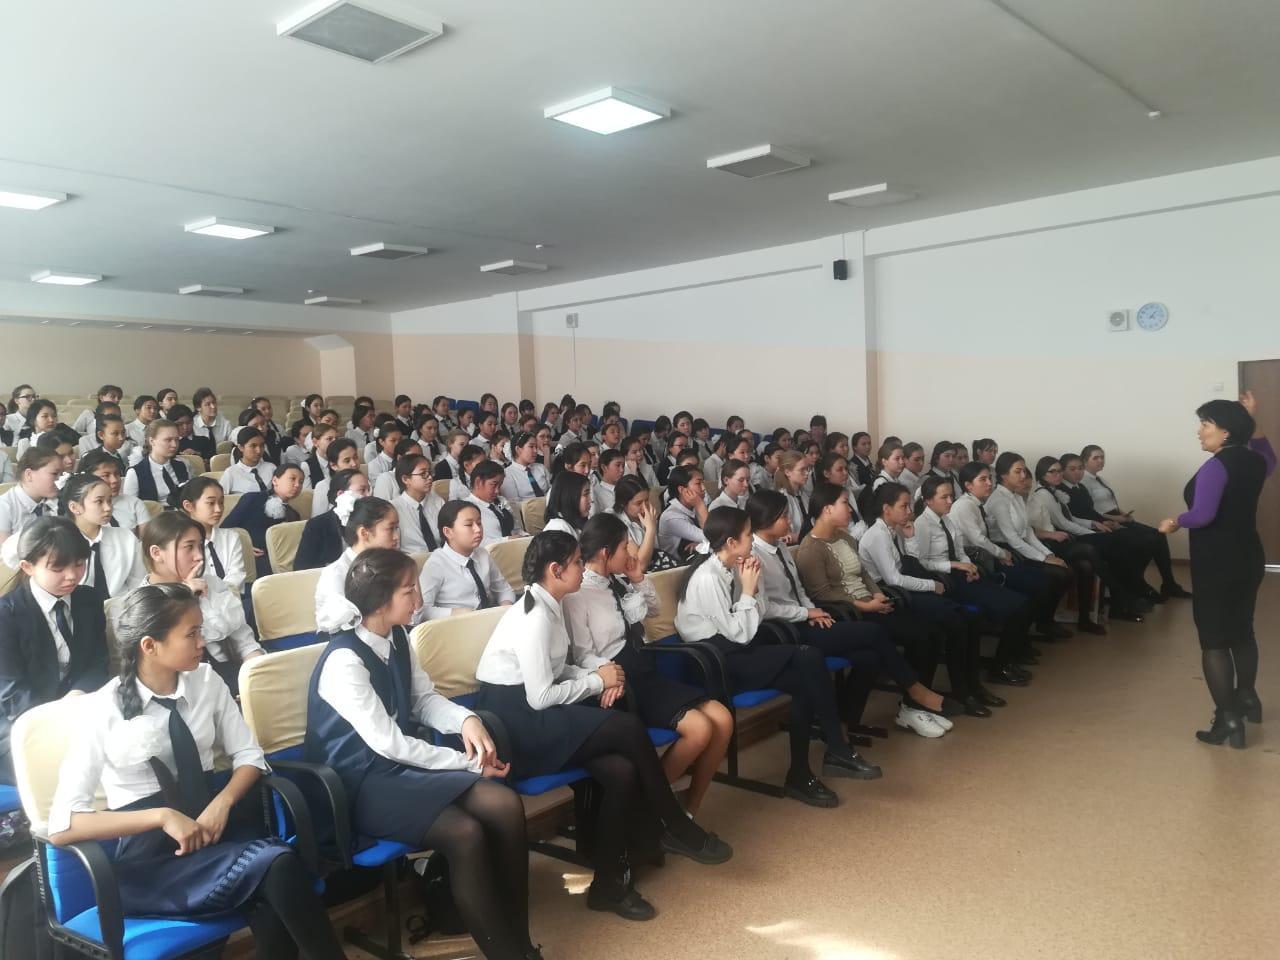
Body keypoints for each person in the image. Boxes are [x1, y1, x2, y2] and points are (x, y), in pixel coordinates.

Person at [49, 583, 345, 959]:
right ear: (149, 646)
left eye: (200, 630)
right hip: (154, 863)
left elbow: (250, 756)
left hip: (212, 834)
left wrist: (223, 803)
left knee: (275, 876)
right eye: (191, 634)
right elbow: (63, 826)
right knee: (277, 867)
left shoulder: (206, 681)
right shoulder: (102, 709)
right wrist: (162, 817)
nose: (202, 642)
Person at [476, 531, 732, 921]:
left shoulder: (550, 603)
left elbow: (559, 667)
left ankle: (609, 885)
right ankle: (673, 823)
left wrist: (602, 671)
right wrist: (597, 681)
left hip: (534, 711)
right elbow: (540, 696)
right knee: (626, 729)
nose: (583, 568)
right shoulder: (534, 616)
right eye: (577, 562)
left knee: (622, 770)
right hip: (517, 725)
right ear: (555, 570)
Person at [305, 549, 538, 959]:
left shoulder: (396, 637)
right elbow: (390, 743)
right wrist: (468, 763)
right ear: (381, 602)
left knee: (503, 804)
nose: (419, 599)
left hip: (398, 770)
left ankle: (518, 939)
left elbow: (422, 700)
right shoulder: (344, 661)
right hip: (360, 783)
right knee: (465, 833)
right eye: (409, 590)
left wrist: (466, 720)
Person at [676, 507, 882, 808]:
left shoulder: (733, 567)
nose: (752, 539)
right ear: (731, 542)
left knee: (805, 678)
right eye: (748, 534)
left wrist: (754, 588)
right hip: (714, 663)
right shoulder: (708, 577)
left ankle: (801, 773)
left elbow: (756, 616)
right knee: (809, 657)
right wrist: (749, 591)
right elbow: (740, 633)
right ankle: (836, 749)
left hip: (734, 650)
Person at [748, 490, 957, 738]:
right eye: (784, 516)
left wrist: (815, 609)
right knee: (880, 632)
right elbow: (771, 605)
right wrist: (809, 611)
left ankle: (847, 721)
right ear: (767, 518)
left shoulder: (782, 547)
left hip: (810, 616)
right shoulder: (757, 555)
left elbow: (803, 590)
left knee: (873, 655)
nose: (790, 521)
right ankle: (916, 693)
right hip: (788, 629)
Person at [565, 514, 734, 815]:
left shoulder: (617, 582)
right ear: (605, 553)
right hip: (620, 678)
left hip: (643, 667)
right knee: (699, 729)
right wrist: (609, 674)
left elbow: (654, 610)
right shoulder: (579, 594)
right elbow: (581, 655)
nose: (630, 553)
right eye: (624, 547)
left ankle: (687, 808)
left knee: (723, 719)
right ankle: (650, 810)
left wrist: (637, 578)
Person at [1158, 392, 1275, 748]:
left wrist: (1175, 522)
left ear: (1225, 432)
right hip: (1248, 556)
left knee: (1213, 640)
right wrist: (1252, 418)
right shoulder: (1255, 461)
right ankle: (1247, 697)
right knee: (1242, 629)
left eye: (1206, 424)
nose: (1199, 431)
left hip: (1217, 561)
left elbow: (1203, 515)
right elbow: (1269, 456)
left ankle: (1227, 718)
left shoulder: (1216, 466)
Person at [0, 518, 109, 782]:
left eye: (79, 563)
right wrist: (58, 720)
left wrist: (78, 694)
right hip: (21, 723)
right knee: (68, 771)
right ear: (27, 567)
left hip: (80, 710)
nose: (72, 575)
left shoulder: (89, 599)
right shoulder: (6, 615)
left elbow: (98, 662)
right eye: (58, 568)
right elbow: (12, 691)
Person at [909, 475, 1041, 685]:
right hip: (947, 579)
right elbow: (922, 563)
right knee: (1015, 606)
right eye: (944, 497)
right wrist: (954, 565)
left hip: (962, 573)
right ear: (928, 500)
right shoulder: (922, 524)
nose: (950, 501)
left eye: (951, 496)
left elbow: (960, 551)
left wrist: (968, 565)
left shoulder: (947, 519)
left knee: (1023, 603)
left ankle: (1007, 659)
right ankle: (1000, 667)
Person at [140, 512, 263, 693]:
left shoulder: (212, 584)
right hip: (183, 691)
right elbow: (159, 672)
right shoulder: (141, 604)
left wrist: (256, 674)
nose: (199, 556)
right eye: (189, 547)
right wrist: (185, 597)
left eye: (200, 546)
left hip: (231, 679)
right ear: (157, 553)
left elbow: (245, 643)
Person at [1028, 457, 1150, 622]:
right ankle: (1123, 598)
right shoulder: (1044, 494)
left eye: (1059, 471)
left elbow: (1071, 518)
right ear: (1042, 474)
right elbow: (1064, 524)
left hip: (1070, 535)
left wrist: (1093, 523)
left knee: (1119, 549)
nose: (1058, 475)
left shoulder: (1053, 491)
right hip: (1057, 541)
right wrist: (1092, 533)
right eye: (1053, 472)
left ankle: (1123, 599)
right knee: (1110, 547)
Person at [988, 453, 1095, 635]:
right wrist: (1044, 558)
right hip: (1006, 553)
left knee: (1067, 571)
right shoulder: (999, 499)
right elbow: (1013, 539)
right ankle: (1038, 623)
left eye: (1024, 471)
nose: (1023, 476)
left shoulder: (1016, 497)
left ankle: (1045, 621)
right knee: (1058, 574)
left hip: (1023, 548)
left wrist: (1048, 555)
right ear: (1004, 475)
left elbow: (1028, 532)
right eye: (1018, 471)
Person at [1074, 446, 1192, 600]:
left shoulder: (1101, 480)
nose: (1101, 461)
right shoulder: (1083, 481)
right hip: (1106, 521)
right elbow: (1094, 512)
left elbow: (1110, 504)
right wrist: (1118, 519)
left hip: (1118, 517)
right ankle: (1137, 583)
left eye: (1102, 457)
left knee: (1158, 535)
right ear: (1085, 460)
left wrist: (1124, 514)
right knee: (1149, 540)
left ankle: (1168, 584)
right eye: (1095, 458)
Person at [315, 495, 402, 630]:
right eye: (391, 529)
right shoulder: (336, 574)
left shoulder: (392, 564)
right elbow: (337, 625)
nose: (397, 537)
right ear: (364, 533)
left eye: (397, 528)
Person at [418, 500, 516, 619]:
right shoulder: (436, 564)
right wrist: (455, 613)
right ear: (448, 532)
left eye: (479, 523)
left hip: (489, 617)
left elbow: (504, 589)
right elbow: (422, 610)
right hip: (458, 624)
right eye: (469, 525)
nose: (478, 529)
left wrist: (505, 609)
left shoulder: (483, 554)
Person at [60, 472, 146, 601]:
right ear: (75, 507)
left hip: (121, 607)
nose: (108, 508)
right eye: (99, 501)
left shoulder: (126, 538)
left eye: (109, 500)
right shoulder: (60, 543)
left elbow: (138, 583)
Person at [222, 464, 306, 578]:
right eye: (292, 479)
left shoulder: (294, 515)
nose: (297, 485)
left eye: (301, 482)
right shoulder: (253, 498)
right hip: (248, 559)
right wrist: (244, 547)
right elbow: (225, 529)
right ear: (275, 480)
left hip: (279, 563)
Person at [175, 477, 246, 594]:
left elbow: (236, 576)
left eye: (221, 502)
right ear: (189, 506)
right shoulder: (178, 542)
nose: (218, 509)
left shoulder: (231, 537)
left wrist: (218, 597)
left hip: (231, 599)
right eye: (211, 503)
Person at [0, 448, 62, 552]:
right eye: (54, 474)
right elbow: (3, 556)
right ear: (29, 475)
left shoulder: (57, 502)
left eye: (62, 474)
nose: (60, 480)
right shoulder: (4, 507)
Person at [79, 450, 152, 534]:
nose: (115, 480)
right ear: (88, 478)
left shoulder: (134, 503)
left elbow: (146, 539)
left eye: (117, 474)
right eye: (106, 475)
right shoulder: (80, 508)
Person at [123, 420, 191, 502]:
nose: (174, 445)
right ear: (152, 441)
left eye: (177, 439)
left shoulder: (182, 466)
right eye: (168, 440)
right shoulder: (135, 473)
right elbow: (130, 506)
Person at [657, 466, 707, 558]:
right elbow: (713, 538)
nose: (704, 488)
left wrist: (701, 544)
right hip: (677, 565)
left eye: (703, 482)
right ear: (682, 490)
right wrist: (700, 505)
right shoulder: (671, 517)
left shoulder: (693, 506)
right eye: (698, 483)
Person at [311, 438, 361, 518]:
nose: (354, 464)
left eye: (355, 457)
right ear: (334, 465)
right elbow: (317, 519)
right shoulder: (324, 486)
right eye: (347, 461)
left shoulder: (364, 481)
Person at [221, 427, 276, 495]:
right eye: (253, 446)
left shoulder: (271, 468)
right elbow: (221, 497)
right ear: (241, 447)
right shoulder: (231, 473)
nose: (259, 451)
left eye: (262, 445)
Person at [544, 471, 592, 538]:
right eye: (586, 494)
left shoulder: (574, 521)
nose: (591, 500)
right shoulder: (558, 528)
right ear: (569, 496)